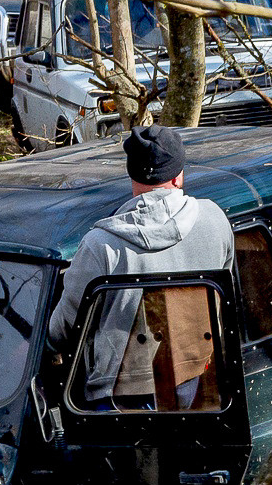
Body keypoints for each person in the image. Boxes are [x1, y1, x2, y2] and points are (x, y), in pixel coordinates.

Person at [46, 126, 235, 405]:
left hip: (121, 395)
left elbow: (66, 325)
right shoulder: (215, 219)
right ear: (178, 176)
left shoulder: (101, 245)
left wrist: (46, 344)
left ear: (132, 175)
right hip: (199, 382)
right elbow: (227, 293)